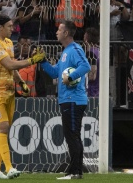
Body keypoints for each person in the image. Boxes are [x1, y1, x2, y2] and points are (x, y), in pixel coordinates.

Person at [0, 14, 45, 179]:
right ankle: (9, 168)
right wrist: (32, 60)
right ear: (0, 27)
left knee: (2, 130)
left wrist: (22, 83)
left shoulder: (9, 43)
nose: (13, 29)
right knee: (2, 127)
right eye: (10, 26)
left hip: (9, 92)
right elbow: (9, 64)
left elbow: (12, 69)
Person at [40, 20, 90, 180]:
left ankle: (76, 172)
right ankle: (74, 171)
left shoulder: (75, 49)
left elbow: (86, 66)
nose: (56, 32)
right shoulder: (65, 52)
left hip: (73, 100)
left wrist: (71, 77)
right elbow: (55, 73)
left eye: (59, 29)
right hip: (67, 99)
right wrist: (43, 61)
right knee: (72, 136)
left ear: (66, 33)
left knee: (72, 136)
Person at [84, 27, 100, 97]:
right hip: (99, 89)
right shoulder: (99, 51)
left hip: (92, 91)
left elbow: (91, 77)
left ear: (86, 38)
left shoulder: (90, 54)